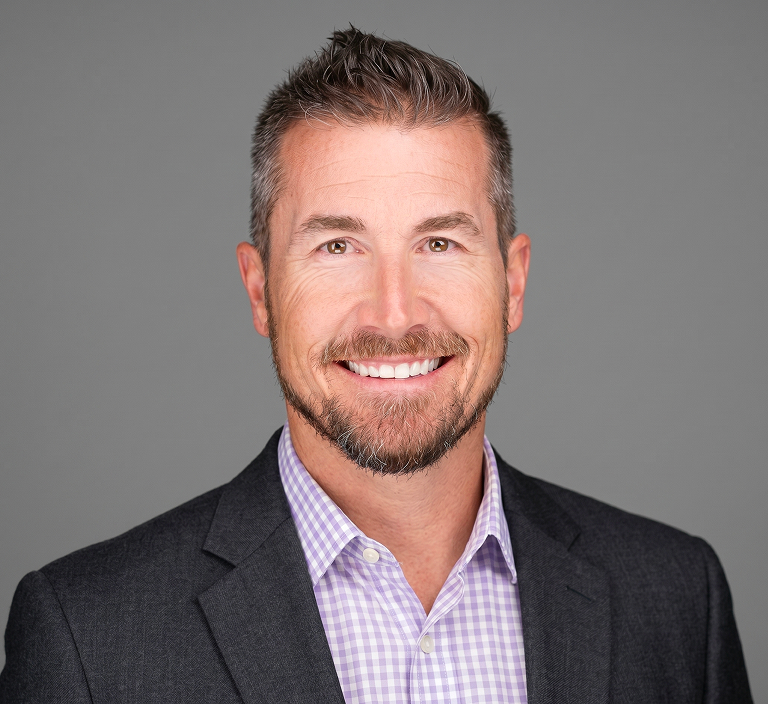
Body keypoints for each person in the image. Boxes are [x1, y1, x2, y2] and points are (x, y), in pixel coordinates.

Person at [0, 27, 752, 704]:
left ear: (513, 282)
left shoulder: (679, 598)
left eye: (440, 243)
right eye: (337, 246)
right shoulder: (86, 637)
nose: (394, 315)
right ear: (260, 290)